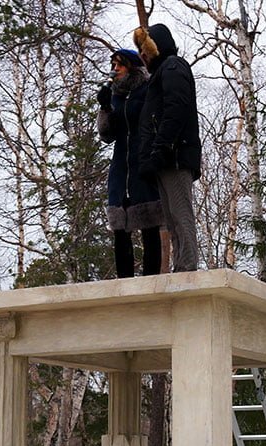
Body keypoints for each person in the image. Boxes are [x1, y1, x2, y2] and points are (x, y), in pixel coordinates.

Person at [133, 23, 201, 273]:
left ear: (156, 46)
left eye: (145, 49)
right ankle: (181, 266)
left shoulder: (173, 66)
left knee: (181, 214)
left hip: (174, 155)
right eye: (140, 50)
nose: (142, 55)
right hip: (164, 157)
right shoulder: (161, 73)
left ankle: (188, 268)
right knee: (171, 219)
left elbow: (176, 109)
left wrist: (161, 148)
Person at [96, 48, 164, 278]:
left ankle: (151, 280)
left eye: (120, 64)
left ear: (131, 67)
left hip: (142, 162)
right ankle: (124, 282)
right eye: (113, 65)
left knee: (149, 224)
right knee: (120, 225)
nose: (115, 69)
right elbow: (107, 135)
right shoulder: (115, 95)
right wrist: (105, 108)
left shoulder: (146, 90)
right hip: (120, 166)